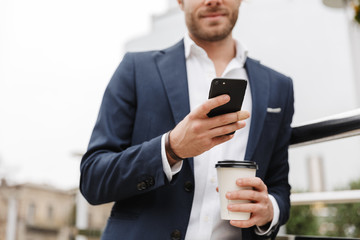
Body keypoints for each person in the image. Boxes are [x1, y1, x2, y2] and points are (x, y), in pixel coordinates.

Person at [80, 0, 294, 239]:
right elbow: (93, 179)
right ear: (180, 2)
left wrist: (270, 210)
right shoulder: (136, 69)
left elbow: (279, 186)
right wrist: (171, 148)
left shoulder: (278, 87)